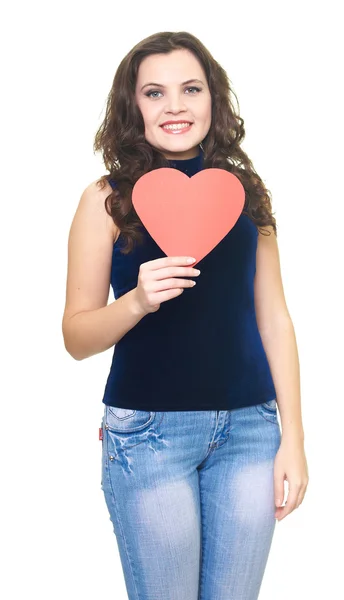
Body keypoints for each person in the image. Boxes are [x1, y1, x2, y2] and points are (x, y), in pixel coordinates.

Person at [62, 31, 309, 600]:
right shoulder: (104, 199)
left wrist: (291, 439)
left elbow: (275, 320)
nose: (175, 105)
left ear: (213, 100)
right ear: (133, 108)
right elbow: (76, 335)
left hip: (251, 432)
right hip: (149, 438)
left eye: (190, 89)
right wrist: (137, 302)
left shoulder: (246, 195)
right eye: (154, 92)